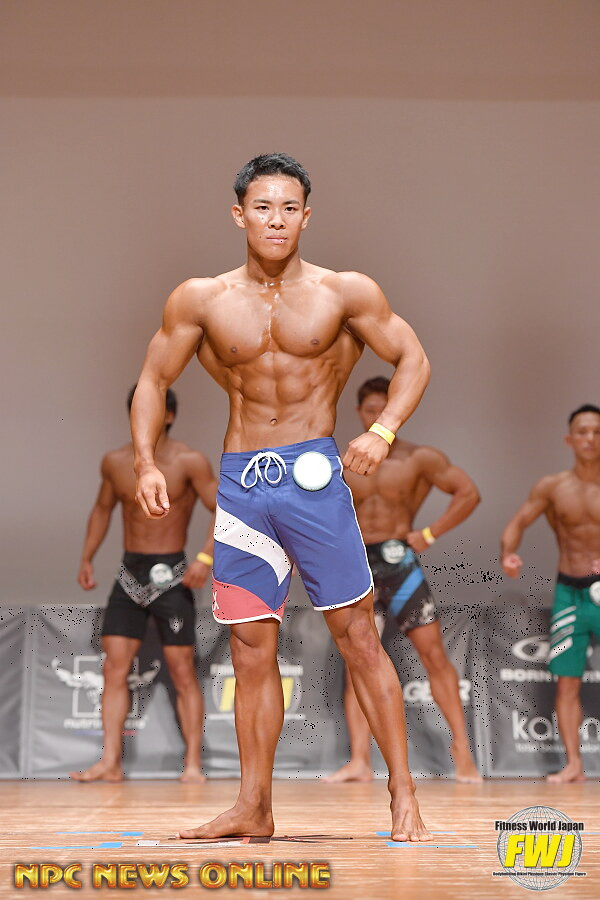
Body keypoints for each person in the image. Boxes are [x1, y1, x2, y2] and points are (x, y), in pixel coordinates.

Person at [131, 152, 432, 841]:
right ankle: (254, 807)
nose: (276, 219)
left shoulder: (344, 292)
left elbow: (413, 359)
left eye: (289, 207)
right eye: (263, 207)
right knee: (248, 651)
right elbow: (152, 380)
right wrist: (147, 461)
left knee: (358, 636)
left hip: (313, 480)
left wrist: (382, 430)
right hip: (243, 486)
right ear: (239, 214)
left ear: (306, 215)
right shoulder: (201, 299)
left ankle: (403, 793)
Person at [326, 376, 481, 784]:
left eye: (384, 409)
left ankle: (463, 754)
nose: (376, 416)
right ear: (359, 412)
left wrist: (430, 532)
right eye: (369, 409)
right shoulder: (343, 463)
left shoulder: (419, 458)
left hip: (400, 563)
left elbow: (467, 492)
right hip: (358, 565)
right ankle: (360, 760)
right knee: (358, 660)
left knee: (433, 655)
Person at [72, 386, 217, 783]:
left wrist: (205, 557)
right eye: (137, 411)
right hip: (129, 572)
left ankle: (192, 764)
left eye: (151, 410)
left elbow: (223, 508)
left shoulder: (189, 461)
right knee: (114, 668)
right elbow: (102, 509)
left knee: (182, 671)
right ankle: (110, 762)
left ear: (169, 415)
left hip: (173, 572)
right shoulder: (116, 462)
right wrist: (86, 557)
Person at [501, 404, 600, 783]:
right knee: (567, 680)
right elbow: (518, 522)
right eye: (583, 432)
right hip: (569, 595)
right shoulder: (553, 487)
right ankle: (573, 764)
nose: (590, 439)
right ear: (569, 439)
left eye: (597, 432)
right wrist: (508, 553)